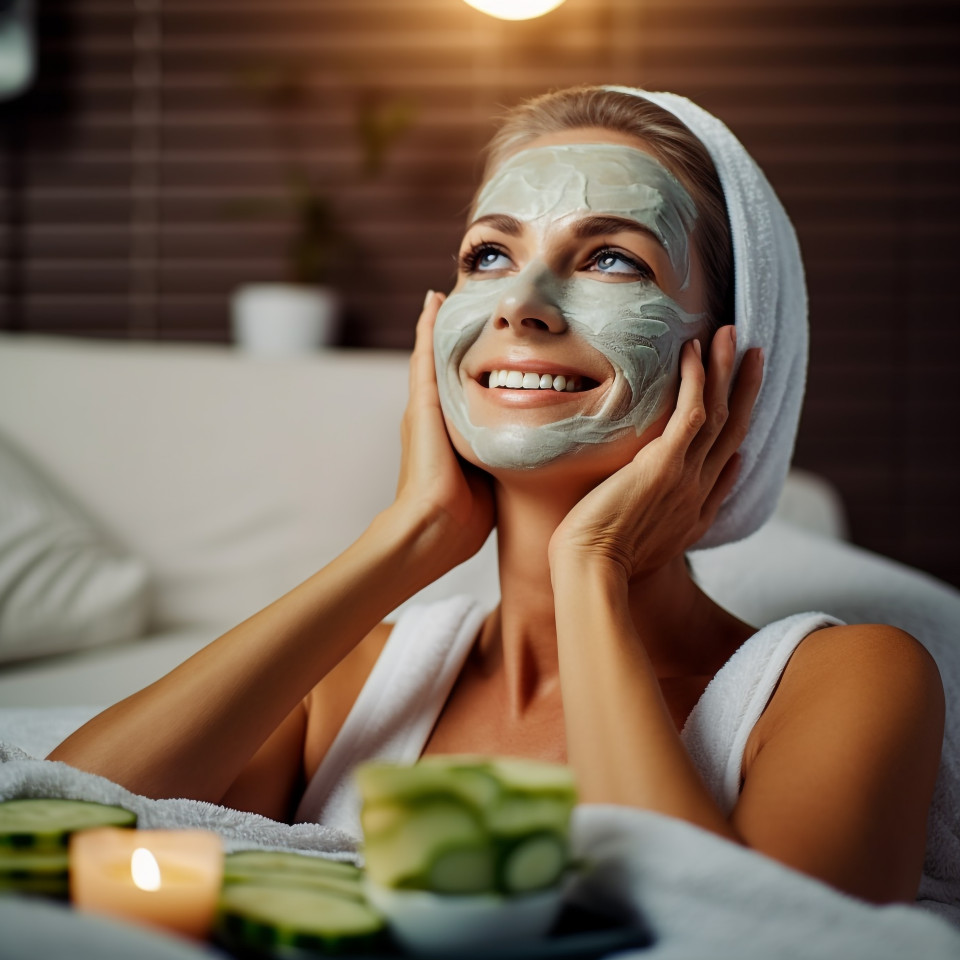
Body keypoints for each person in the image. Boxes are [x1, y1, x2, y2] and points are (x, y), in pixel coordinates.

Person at [48, 86, 945, 907]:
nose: (521, 304)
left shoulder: (847, 682)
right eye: (489, 253)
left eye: (612, 260)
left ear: (736, 364)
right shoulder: (358, 683)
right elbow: (52, 829)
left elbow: (743, 935)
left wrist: (591, 571)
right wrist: (408, 535)